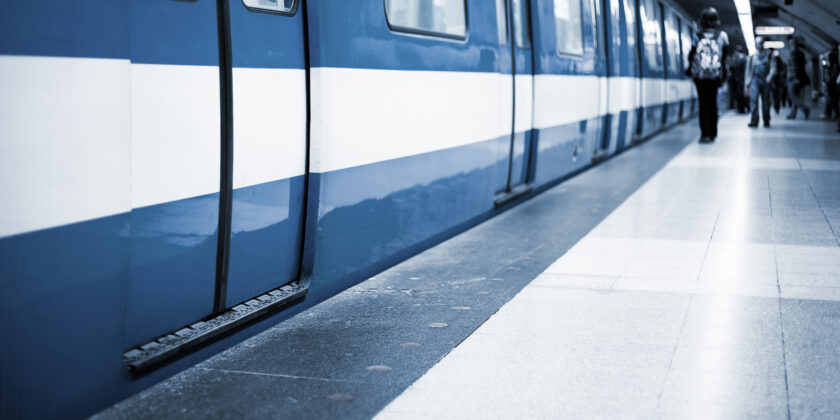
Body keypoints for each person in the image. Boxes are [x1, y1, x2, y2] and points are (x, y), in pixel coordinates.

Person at [687, 7, 729, 143]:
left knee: (703, 103)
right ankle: (713, 132)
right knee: (713, 103)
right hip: (715, 76)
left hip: (700, 77)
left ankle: (705, 134)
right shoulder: (722, 36)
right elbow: (724, 58)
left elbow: (691, 55)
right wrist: (723, 75)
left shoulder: (697, 35)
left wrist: (690, 69)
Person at [745, 36, 777, 127]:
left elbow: (773, 68)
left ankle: (766, 120)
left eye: (761, 43)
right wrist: (746, 84)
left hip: (765, 81)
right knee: (753, 100)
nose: (759, 45)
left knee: (766, 101)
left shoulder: (770, 55)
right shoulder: (752, 57)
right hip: (755, 80)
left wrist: (769, 78)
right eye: (757, 43)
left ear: (763, 44)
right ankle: (754, 120)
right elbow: (748, 71)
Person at [786, 36, 811, 120]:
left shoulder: (793, 53)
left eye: (790, 43)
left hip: (793, 78)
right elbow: (803, 65)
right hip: (800, 78)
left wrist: (795, 78)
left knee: (792, 95)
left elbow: (795, 67)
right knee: (795, 95)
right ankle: (792, 114)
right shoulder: (801, 53)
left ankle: (804, 108)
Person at [729, 45, 748, 113]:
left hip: (741, 79)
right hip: (740, 79)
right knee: (740, 94)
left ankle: (742, 108)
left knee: (741, 94)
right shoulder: (742, 59)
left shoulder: (742, 59)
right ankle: (741, 108)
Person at [823, 43, 839, 120]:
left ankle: (829, 113)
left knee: (832, 100)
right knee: (833, 100)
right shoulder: (835, 66)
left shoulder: (833, 66)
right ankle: (833, 114)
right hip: (834, 85)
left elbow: (832, 76)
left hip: (832, 85)